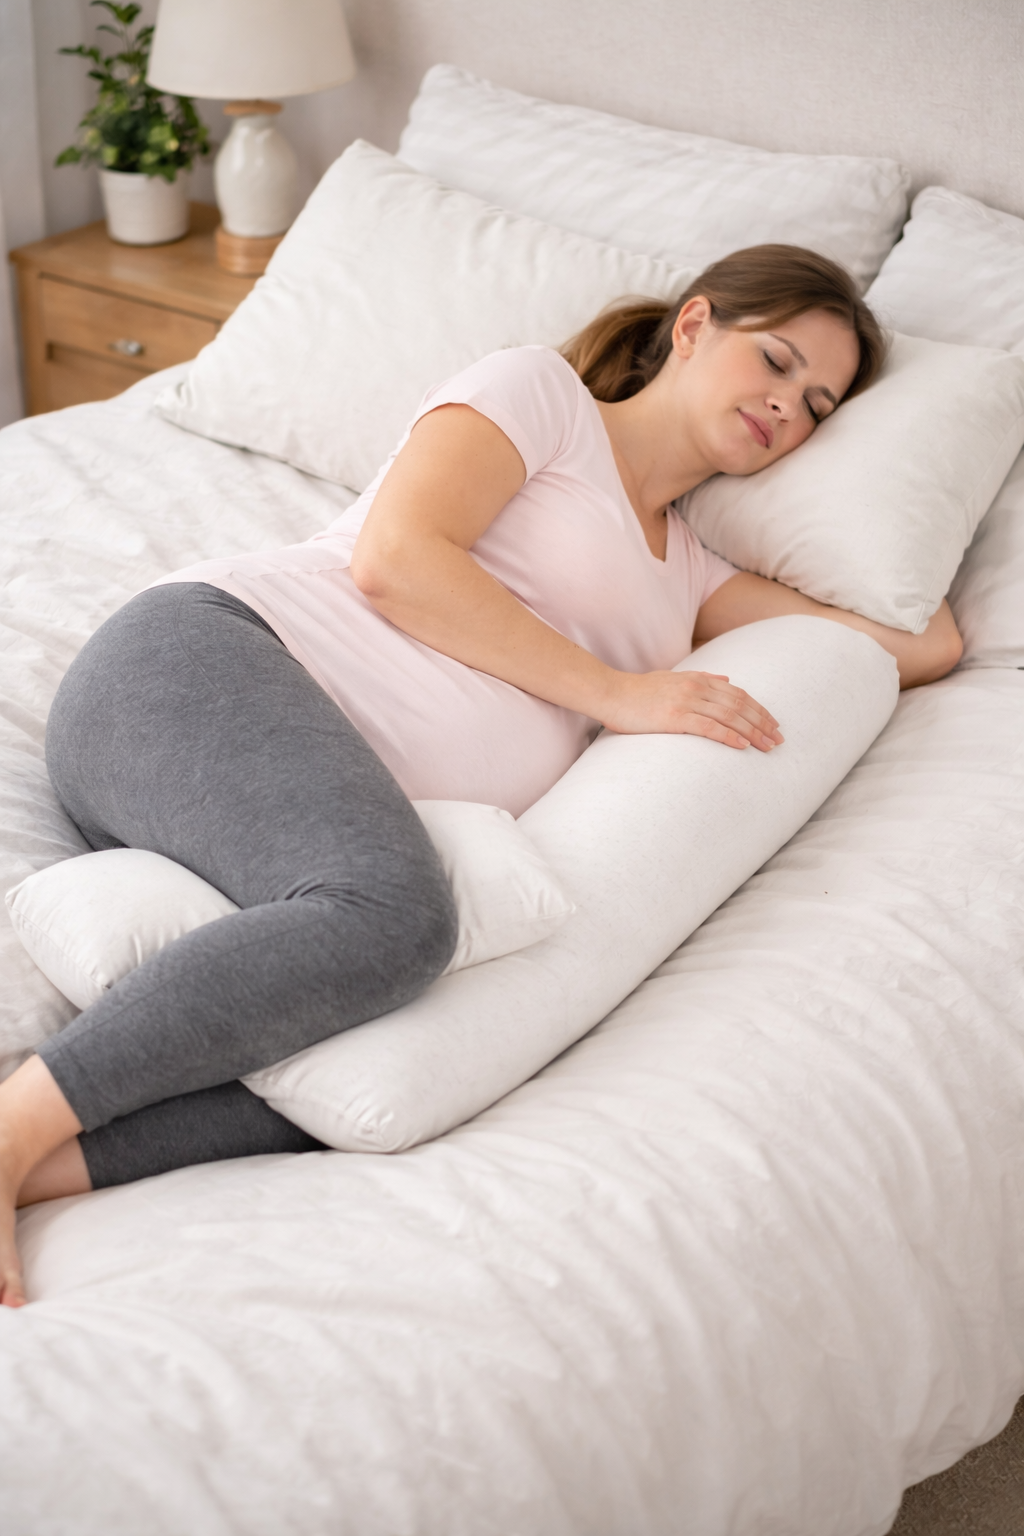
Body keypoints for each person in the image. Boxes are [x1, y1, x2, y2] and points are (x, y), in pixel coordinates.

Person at [0, 245, 962, 1306]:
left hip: (289, 821)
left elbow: (918, 643)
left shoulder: (693, 577)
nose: (787, 405)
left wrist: (905, 492)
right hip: (204, 667)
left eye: (818, 403)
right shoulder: (540, 397)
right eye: (775, 362)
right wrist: (615, 692)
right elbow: (397, 558)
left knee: (384, 1066)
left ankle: (37, 1166)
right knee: (398, 920)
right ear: (693, 327)